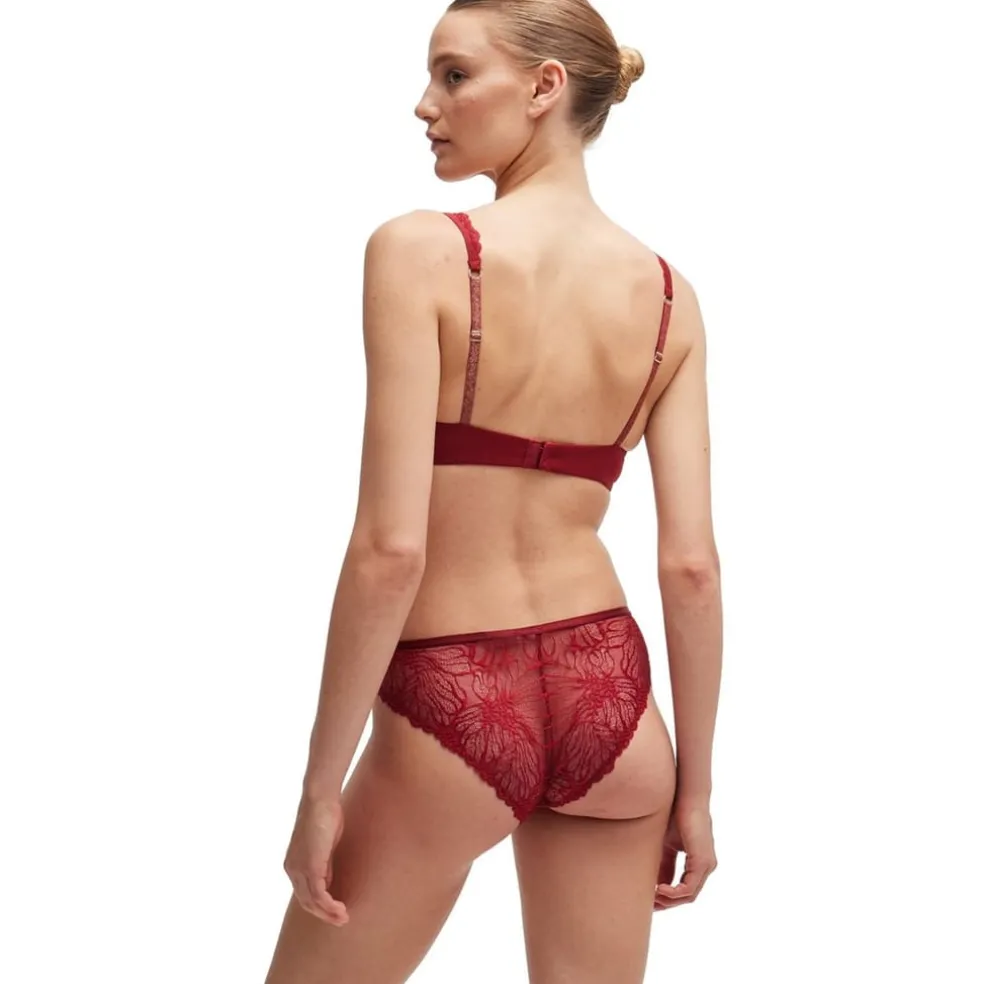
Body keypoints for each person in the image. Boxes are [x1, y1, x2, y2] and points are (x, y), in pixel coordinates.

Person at [264, 0, 722, 981]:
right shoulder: (671, 299)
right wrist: (696, 790)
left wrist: (320, 784)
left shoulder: (420, 251)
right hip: (613, 697)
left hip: (454, 687)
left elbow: (391, 552)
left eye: (455, 74)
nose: (425, 104)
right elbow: (691, 566)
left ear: (545, 87)